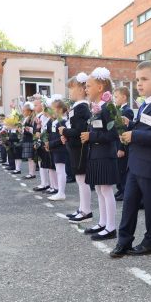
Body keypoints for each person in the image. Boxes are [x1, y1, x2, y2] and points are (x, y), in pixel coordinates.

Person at [110, 60, 151, 257]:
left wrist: (135, 135)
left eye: (144, 79)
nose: (139, 84)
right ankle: (124, 240)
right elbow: (144, 129)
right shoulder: (144, 106)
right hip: (135, 165)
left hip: (149, 165)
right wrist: (129, 127)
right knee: (129, 203)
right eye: (137, 80)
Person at [79, 67, 119, 240]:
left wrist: (91, 135)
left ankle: (111, 227)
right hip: (95, 154)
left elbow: (113, 134)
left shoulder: (108, 108)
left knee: (106, 190)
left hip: (105, 154)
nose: (86, 89)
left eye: (88, 86)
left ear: (100, 87)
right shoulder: (96, 107)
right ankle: (102, 222)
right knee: (98, 189)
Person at [60, 73, 92, 223]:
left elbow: (79, 130)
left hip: (80, 148)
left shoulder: (82, 108)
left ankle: (86, 211)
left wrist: (64, 131)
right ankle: (82, 209)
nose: (69, 92)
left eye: (71, 88)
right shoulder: (76, 107)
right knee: (80, 180)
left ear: (81, 89)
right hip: (74, 147)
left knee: (82, 180)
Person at [114, 86, 135, 201]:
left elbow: (124, 130)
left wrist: (122, 148)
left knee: (123, 168)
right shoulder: (118, 110)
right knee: (118, 168)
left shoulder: (127, 111)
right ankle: (120, 189)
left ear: (124, 97)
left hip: (123, 145)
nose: (115, 99)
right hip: (117, 143)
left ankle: (124, 190)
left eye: (116, 97)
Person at [47, 100, 69, 201]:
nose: (51, 111)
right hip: (55, 148)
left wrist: (51, 144)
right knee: (58, 170)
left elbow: (61, 139)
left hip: (60, 149)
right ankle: (59, 191)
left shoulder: (63, 122)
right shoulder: (55, 121)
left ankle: (61, 192)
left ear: (60, 110)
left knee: (61, 171)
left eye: (53, 109)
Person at [32, 99, 52, 192]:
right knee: (41, 163)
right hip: (41, 141)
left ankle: (49, 184)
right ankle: (44, 182)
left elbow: (46, 129)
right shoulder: (41, 116)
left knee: (47, 164)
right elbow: (39, 128)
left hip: (46, 141)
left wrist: (39, 132)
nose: (34, 107)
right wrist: (37, 132)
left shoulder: (49, 117)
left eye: (36, 105)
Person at [20, 103, 37, 179]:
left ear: (29, 111)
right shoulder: (26, 118)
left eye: (24, 111)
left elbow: (33, 130)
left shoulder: (32, 118)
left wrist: (25, 129)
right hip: (26, 139)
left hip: (30, 139)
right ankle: (30, 173)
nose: (23, 112)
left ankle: (32, 173)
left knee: (31, 158)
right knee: (29, 158)